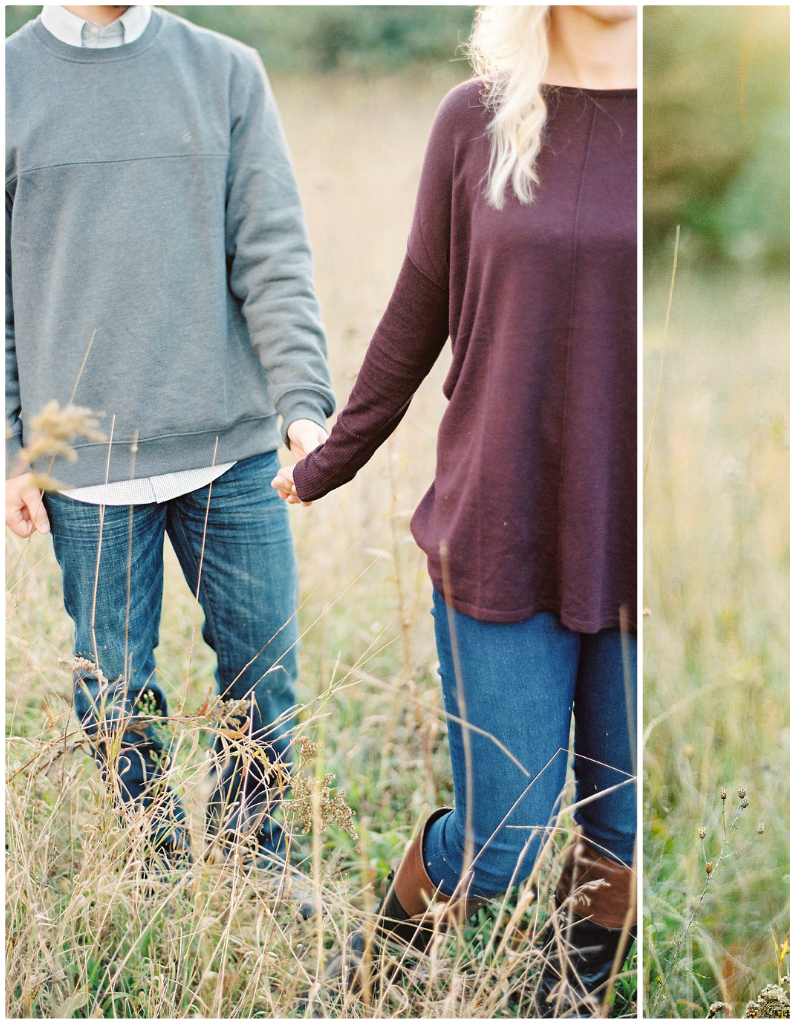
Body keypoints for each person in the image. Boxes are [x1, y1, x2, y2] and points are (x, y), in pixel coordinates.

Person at [273, 4, 638, 1015]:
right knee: (505, 838)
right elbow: (418, 306)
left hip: (641, 539)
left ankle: (560, 1001)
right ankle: (373, 978)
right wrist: (328, 461)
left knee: (619, 830)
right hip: (502, 520)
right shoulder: (474, 119)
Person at [5, 4, 334, 901]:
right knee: (114, 695)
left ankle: (254, 859)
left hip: (233, 449)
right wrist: (10, 451)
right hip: (84, 467)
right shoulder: (7, 82)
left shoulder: (226, 70)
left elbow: (272, 253)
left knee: (265, 674)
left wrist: (304, 406)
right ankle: (153, 871)